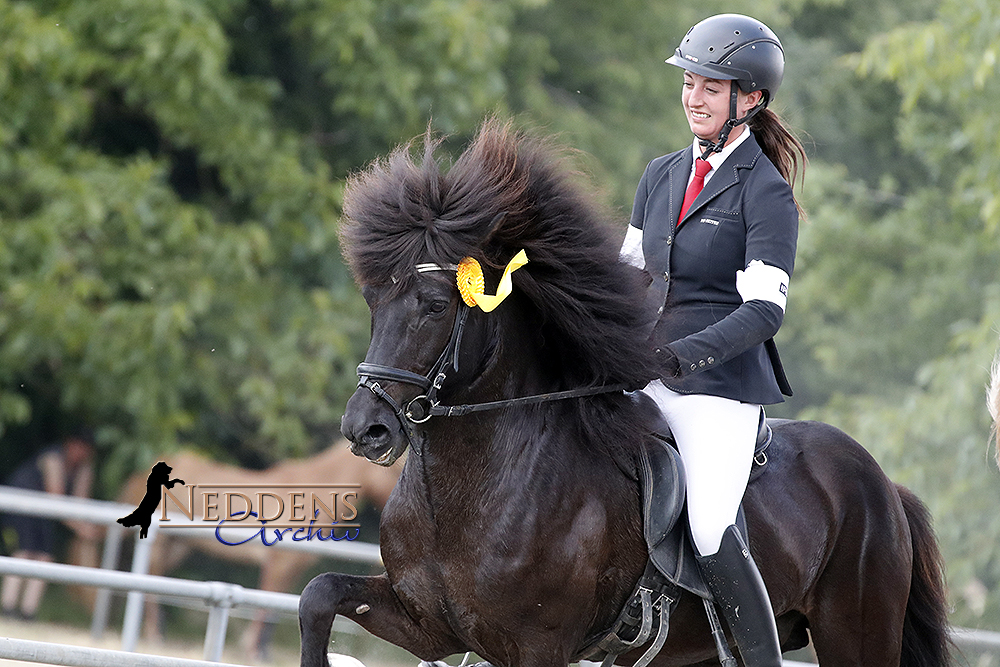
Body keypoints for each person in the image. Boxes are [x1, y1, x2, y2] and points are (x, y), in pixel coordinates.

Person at [619, 14, 807, 666]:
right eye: (689, 82)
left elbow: (763, 312)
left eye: (710, 85)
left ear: (750, 99)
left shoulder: (765, 192)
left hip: (717, 385)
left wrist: (683, 355)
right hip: (643, 368)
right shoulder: (660, 174)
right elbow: (627, 280)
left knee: (709, 526)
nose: (693, 97)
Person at [1, 429, 99, 620]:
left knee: (44, 558)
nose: (81, 453)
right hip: (20, 506)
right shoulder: (52, 458)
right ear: (69, 444)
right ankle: (8, 608)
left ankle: (28, 612)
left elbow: (80, 504)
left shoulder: (84, 469)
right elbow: (56, 499)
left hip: (42, 514)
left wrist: (87, 527)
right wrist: (81, 528)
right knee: (23, 554)